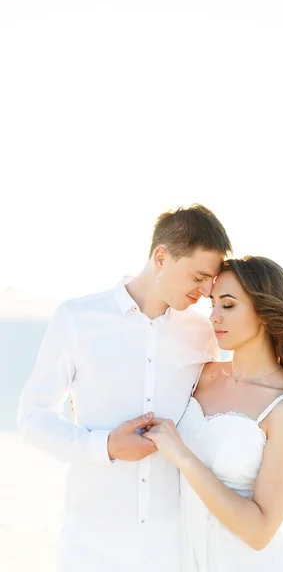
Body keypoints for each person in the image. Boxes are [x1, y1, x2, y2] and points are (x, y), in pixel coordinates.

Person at [17, 204, 232, 572]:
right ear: (161, 257)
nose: (207, 290)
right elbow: (33, 418)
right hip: (90, 542)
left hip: (173, 544)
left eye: (211, 280)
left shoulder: (201, 334)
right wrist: (105, 446)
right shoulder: (77, 319)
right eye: (199, 276)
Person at [143, 256, 283, 572]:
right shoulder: (198, 374)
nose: (214, 317)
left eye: (228, 306)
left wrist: (184, 457)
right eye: (212, 305)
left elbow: (259, 532)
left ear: (266, 313)